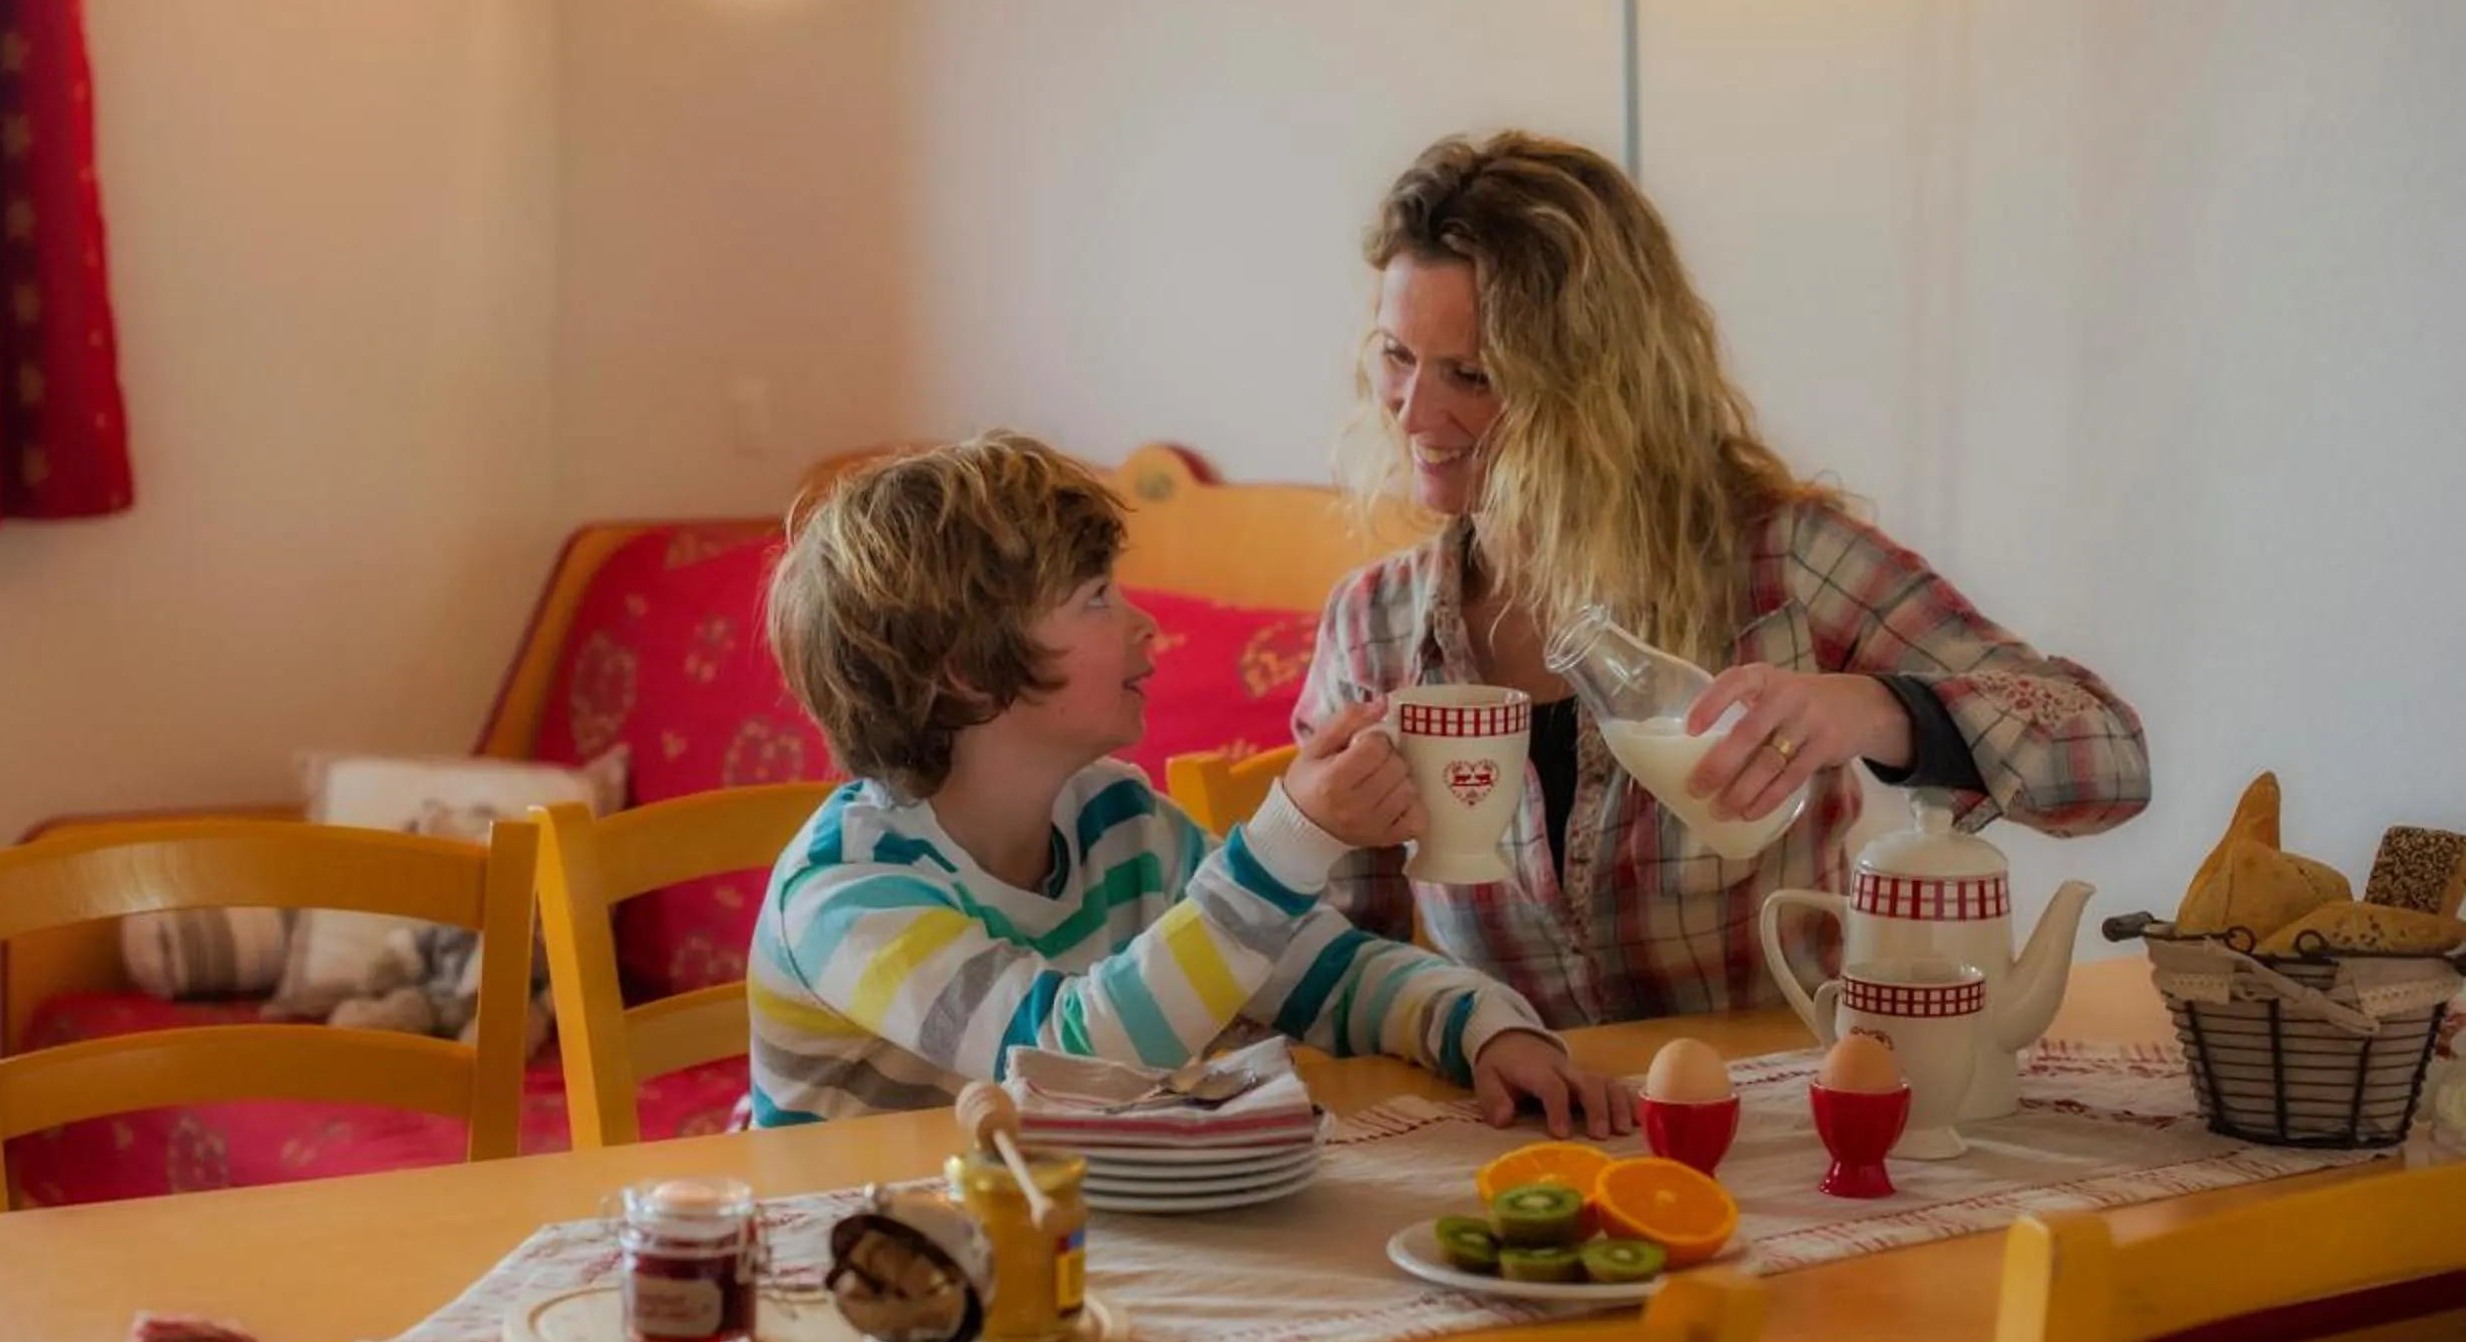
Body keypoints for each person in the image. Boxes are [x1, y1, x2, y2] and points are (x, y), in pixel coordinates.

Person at [1301, 131, 2151, 1028]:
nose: (1413, 412)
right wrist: (1310, 830)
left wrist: (1877, 710)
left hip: (1786, 1101)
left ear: (1595, 385)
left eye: (1471, 375)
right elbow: (1337, 962)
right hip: (1524, 1114)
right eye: (1396, 356)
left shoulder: (1778, 564)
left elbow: (2110, 760)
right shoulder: (1374, 628)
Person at [748, 431, 1635, 1134]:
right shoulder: (846, 893)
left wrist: (1486, 1027)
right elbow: (1070, 1063)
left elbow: (1322, 974)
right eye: (1096, 598)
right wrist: (1291, 840)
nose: (1144, 626)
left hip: (1047, 1235)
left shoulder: (1117, 820)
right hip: (846, 1261)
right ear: (970, 675)